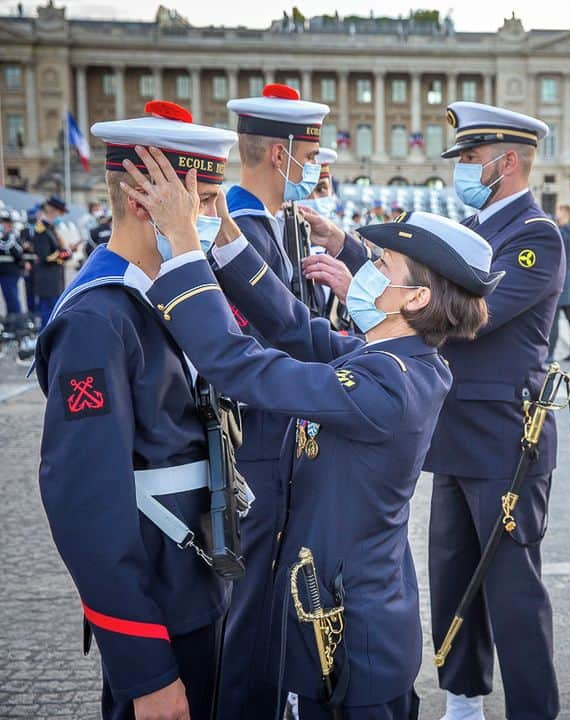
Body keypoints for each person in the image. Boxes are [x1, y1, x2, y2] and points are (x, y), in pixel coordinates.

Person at [125, 133, 500, 717]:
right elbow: (296, 328)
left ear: (416, 297)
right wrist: (222, 229)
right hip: (335, 610)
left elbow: (242, 367)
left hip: (351, 635)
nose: (365, 272)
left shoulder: (391, 384)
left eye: (381, 265)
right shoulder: (389, 359)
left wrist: (181, 245)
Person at [35, 100, 237, 720]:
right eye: (201, 205)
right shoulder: (98, 319)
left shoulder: (159, 297)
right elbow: (86, 509)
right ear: (149, 203)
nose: (212, 219)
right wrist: (144, 668)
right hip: (160, 607)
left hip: (198, 589)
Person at [428, 100, 564, 720]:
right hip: (456, 428)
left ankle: (533, 709)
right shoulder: (477, 231)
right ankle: (462, 698)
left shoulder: (535, 235)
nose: (462, 168)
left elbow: (476, 316)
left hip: (506, 439)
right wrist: (350, 249)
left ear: (506, 163)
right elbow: (419, 278)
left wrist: (376, 297)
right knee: (452, 573)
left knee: (511, 588)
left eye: (471, 158)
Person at [214, 81, 336, 719]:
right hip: (255, 440)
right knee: (253, 608)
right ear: (277, 155)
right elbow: (277, 333)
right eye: (310, 155)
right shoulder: (238, 232)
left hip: (282, 436)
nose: (317, 168)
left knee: (271, 599)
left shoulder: (276, 224)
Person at [546, 203, 570, 363]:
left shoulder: (561, 232)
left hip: (561, 277)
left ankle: (550, 354)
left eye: (559, 212)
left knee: (554, 320)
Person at [30, 196, 71, 324]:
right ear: (53, 211)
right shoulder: (41, 229)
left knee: (54, 317)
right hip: (47, 281)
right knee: (48, 319)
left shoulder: (50, 228)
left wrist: (66, 252)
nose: (60, 215)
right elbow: (45, 256)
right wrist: (64, 253)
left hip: (54, 280)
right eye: (59, 212)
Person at [0, 211, 25, 315]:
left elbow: (17, 253)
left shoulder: (11, 236)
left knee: (12, 299)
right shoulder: (5, 237)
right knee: (8, 298)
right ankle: (11, 321)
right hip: (4, 272)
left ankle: (17, 322)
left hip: (10, 272)